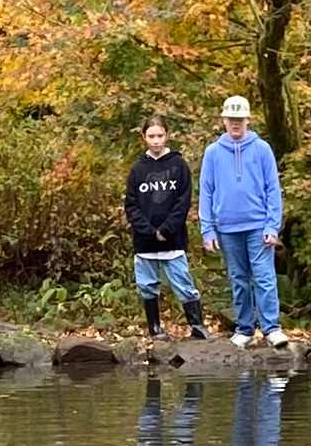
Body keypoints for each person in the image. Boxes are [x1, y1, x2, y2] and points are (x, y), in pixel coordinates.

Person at [196, 94, 285, 344]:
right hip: (227, 227)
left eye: (240, 119)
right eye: (231, 119)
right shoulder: (213, 152)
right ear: (224, 120)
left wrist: (272, 224)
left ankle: (271, 328)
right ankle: (244, 329)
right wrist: (208, 230)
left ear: (247, 120)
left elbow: (272, 189)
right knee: (238, 278)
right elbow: (206, 190)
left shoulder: (262, 149)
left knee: (264, 277)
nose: (236, 124)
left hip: (258, 225)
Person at [122, 113, 206, 339]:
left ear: (167, 135)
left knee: (183, 283)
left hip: (173, 238)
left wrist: (166, 229)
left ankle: (197, 327)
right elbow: (131, 205)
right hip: (144, 241)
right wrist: (149, 231)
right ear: (144, 137)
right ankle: (155, 329)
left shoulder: (178, 165)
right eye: (151, 136)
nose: (156, 140)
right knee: (147, 285)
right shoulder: (137, 169)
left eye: (160, 135)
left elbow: (183, 201)